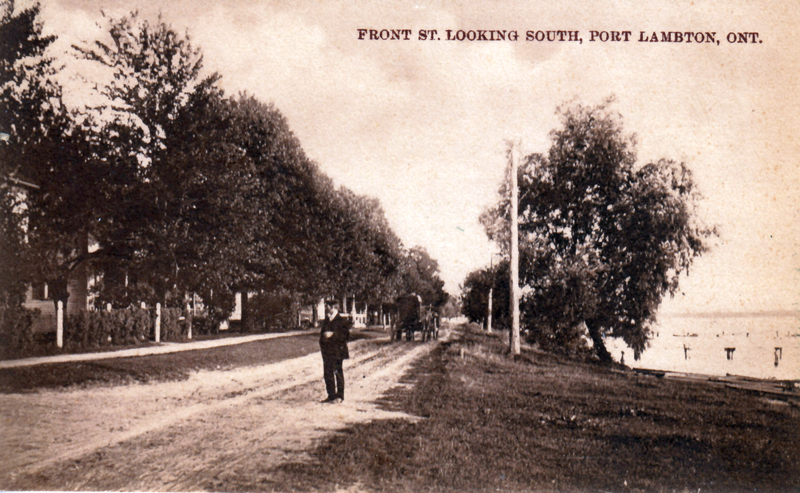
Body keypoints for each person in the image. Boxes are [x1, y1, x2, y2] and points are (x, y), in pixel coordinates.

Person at [320, 300, 351, 403]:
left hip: (338, 351)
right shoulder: (326, 321)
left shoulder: (341, 320)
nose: (326, 308)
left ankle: (340, 396)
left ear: (333, 307)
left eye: (327, 306)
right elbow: (322, 335)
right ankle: (331, 395)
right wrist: (323, 343)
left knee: (337, 372)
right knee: (327, 373)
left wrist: (332, 336)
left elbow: (345, 336)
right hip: (327, 352)